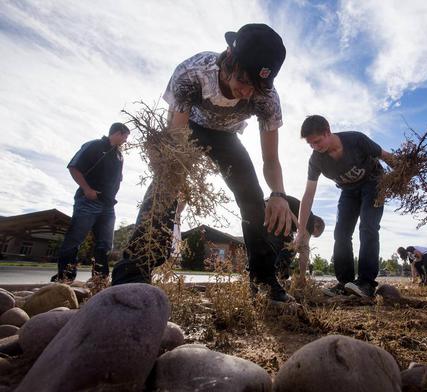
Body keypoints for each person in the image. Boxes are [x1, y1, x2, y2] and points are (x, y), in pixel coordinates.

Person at [112, 24, 297, 302]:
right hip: (190, 129)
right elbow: (177, 139)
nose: (248, 93)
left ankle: (263, 279)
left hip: (228, 137)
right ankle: (133, 273)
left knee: (252, 195)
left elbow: (271, 159)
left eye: (257, 87)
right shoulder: (192, 74)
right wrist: (176, 173)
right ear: (229, 59)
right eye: (244, 82)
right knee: (167, 182)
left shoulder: (266, 98)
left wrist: (279, 194)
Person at [295, 115, 395, 298]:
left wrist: (405, 170)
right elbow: (308, 194)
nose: (315, 147)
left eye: (317, 141)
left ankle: (366, 283)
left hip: (373, 184)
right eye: (311, 145)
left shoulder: (356, 140)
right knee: (340, 233)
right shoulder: (316, 160)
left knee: (368, 227)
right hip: (348, 192)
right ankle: (345, 282)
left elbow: (386, 156)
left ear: (327, 131)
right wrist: (301, 232)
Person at [52, 123, 130, 283]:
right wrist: (87, 189)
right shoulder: (94, 146)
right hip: (89, 201)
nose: (125, 141)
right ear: (118, 133)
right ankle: (65, 277)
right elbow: (74, 167)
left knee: (105, 243)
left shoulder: (119, 156)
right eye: (125, 137)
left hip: (108, 205)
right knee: (75, 238)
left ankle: (99, 278)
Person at [266, 195, 325, 282]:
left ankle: (261, 274)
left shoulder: (299, 213)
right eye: (313, 233)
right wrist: (302, 277)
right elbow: (304, 249)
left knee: (269, 246)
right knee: (291, 247)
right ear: (316, 225)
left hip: (264, 206)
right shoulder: (310, 218)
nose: (310, 235)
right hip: (275, 210)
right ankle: (277, 275)